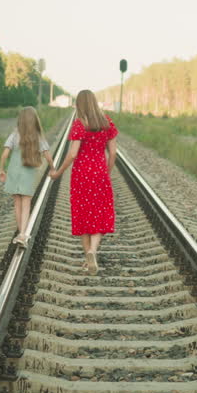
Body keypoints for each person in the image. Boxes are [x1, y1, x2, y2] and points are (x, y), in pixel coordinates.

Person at [47, 90, 117, 274]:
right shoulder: (107, 123)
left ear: (80, 105)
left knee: (84, 215)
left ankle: (88, 256)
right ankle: (93, 252)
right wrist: (106, 173)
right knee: (100, 214)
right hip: (100, 173)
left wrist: (58, 173)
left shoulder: (80, 124)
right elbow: (113, 154)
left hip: (81, 176)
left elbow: (73, 154)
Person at [0, 106, 53, 246]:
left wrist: (1, 169)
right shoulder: (38, 136)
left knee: (17, 202)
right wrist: (53, 168)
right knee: (26, 203)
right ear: (34, 120)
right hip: (28, 173)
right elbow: (47, 154)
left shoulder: (15, 134)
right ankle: (23, 234)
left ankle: (20, 233)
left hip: (13, 171)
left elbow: (5, 154)